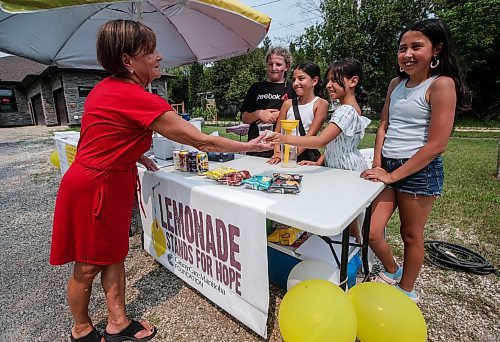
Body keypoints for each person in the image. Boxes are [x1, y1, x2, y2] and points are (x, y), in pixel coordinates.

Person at [50, 20, 271, 342]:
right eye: (150, 51)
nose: (158, 57)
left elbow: (101, 135)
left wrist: (132, 154)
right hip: (96, 190)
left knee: (113, 254)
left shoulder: (107, 88)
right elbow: (202, 142)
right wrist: (249, 146)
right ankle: (81, 330)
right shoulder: (134, 96)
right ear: (128, 60)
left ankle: (118, 322)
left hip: (106, 181)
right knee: (87, 265)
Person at [360, 19, 471, 302]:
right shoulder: (395, 84)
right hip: (388, 168)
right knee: (372, 233)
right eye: (402, 48)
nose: (407, 54)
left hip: (419, 171)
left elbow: (437, 145)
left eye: (416, 47)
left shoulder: (442, 85)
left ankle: (407, 292)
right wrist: (378, 164)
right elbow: (384, 124)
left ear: (436, 50)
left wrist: (393, 177)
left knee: (411, 235)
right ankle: (393, 270)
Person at [267, 58, 371, 240]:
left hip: (346, 171)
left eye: (334, 80)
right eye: (329, 80)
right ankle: (351, 247)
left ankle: (353, 249)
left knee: (349, 217)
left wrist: (284, 138)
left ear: (353, 82)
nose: (329, 85)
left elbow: (322, 141)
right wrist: (318, 161)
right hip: (340, 168)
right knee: (349, 218)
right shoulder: (346, 108)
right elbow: (334, 144)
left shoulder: (345, 110)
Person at [267, 62, 328, 165]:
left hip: (304, 158)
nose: (295, 83)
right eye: (294, 79)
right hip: (283, 156)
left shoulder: (321, 104)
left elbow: (310, 136)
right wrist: (277, 153)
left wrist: (291, 156)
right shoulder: (287, 104)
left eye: (301, 79)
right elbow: (277, 132)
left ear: (314, 81)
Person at [241, 47, 295, 158]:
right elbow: (245, 117)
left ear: (287, 67)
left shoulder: (292, 88)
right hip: (256, 148)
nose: (274, 68)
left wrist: (279, 115)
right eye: (270, 64)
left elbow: (300, 115)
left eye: (278, 64)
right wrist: (259, 114)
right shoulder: (256, 88)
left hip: (282, 150)